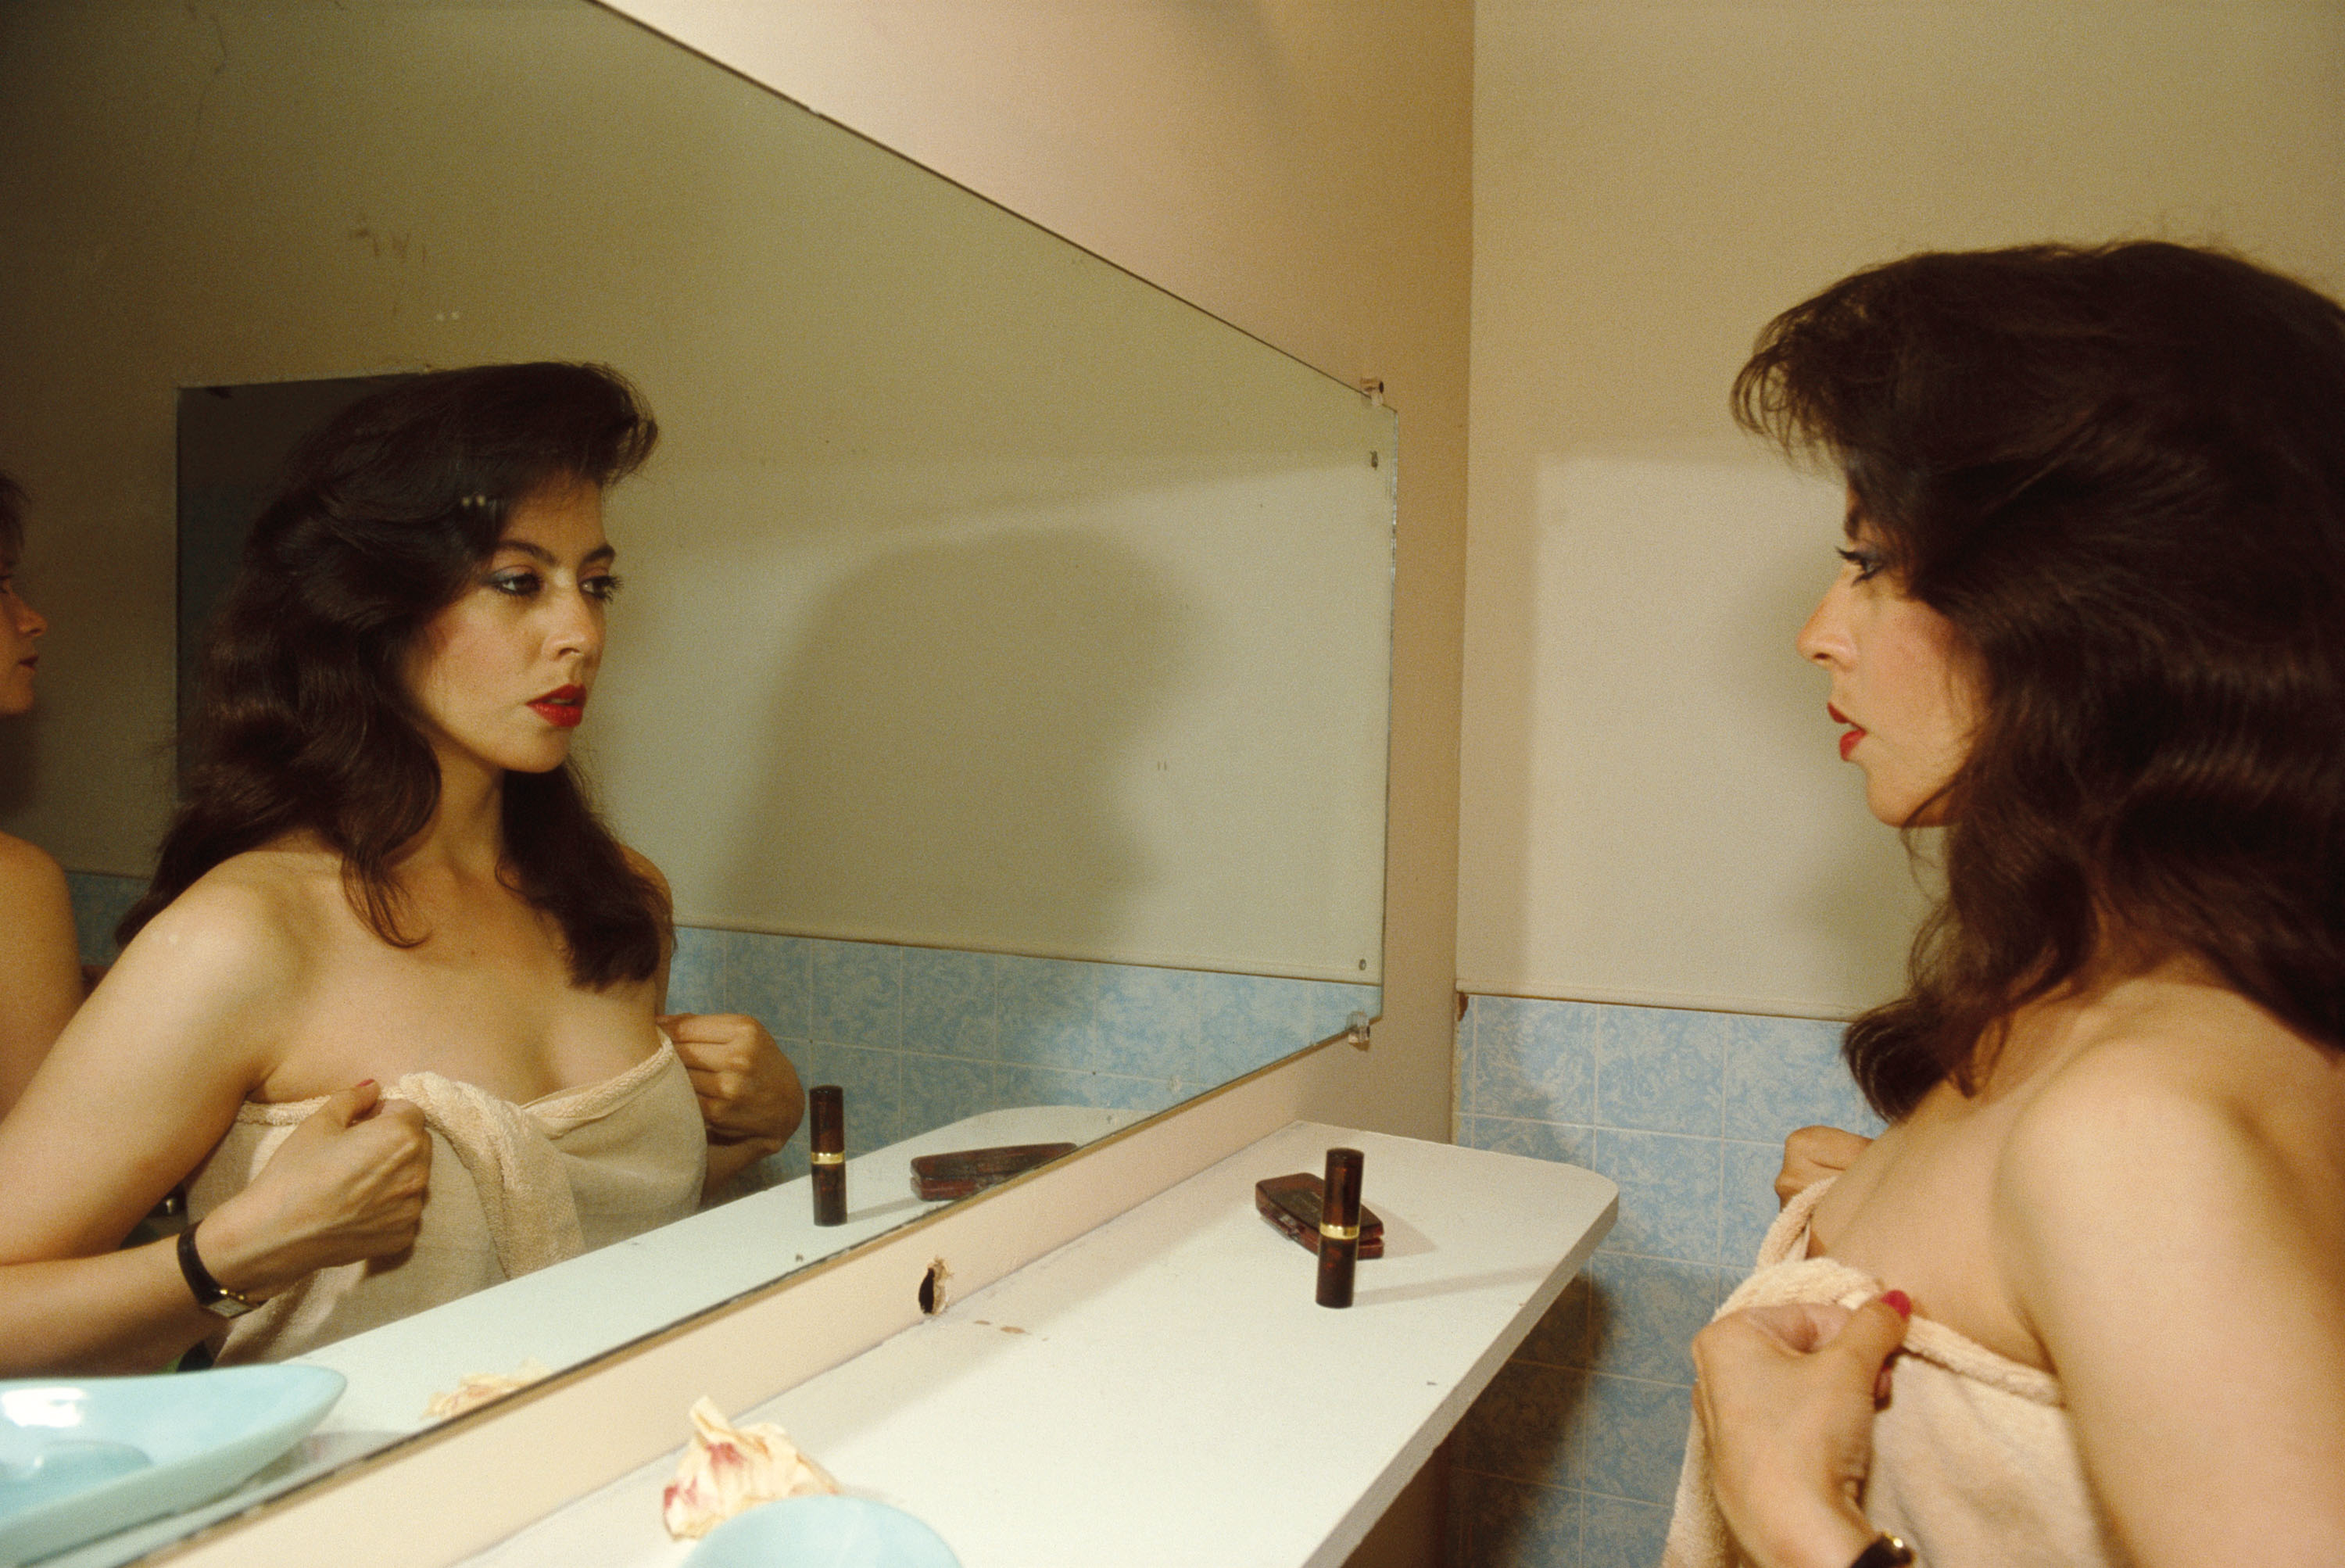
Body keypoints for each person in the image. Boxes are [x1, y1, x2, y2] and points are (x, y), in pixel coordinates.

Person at [1665, 243, 2345, 1568]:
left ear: (2086, 619)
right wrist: (1903, 1226)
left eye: (1869, 561)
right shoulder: (2121, 1019)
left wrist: (1798, 1519)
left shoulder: (2133, 1136)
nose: (1820, 630)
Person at [0, 364, 803, 1373]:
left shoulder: (617, 902)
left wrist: (740, 1127)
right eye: (519, 583)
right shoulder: (243, 937)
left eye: (594, 583)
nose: (581, 633)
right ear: (371, 609)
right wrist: (235, 1253)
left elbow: (567, 1214)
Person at [0, 469, 84, 1118]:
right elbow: (39, 1208)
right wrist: (262, 1223)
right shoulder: (13, 885)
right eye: (0, 587)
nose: (33, 619)